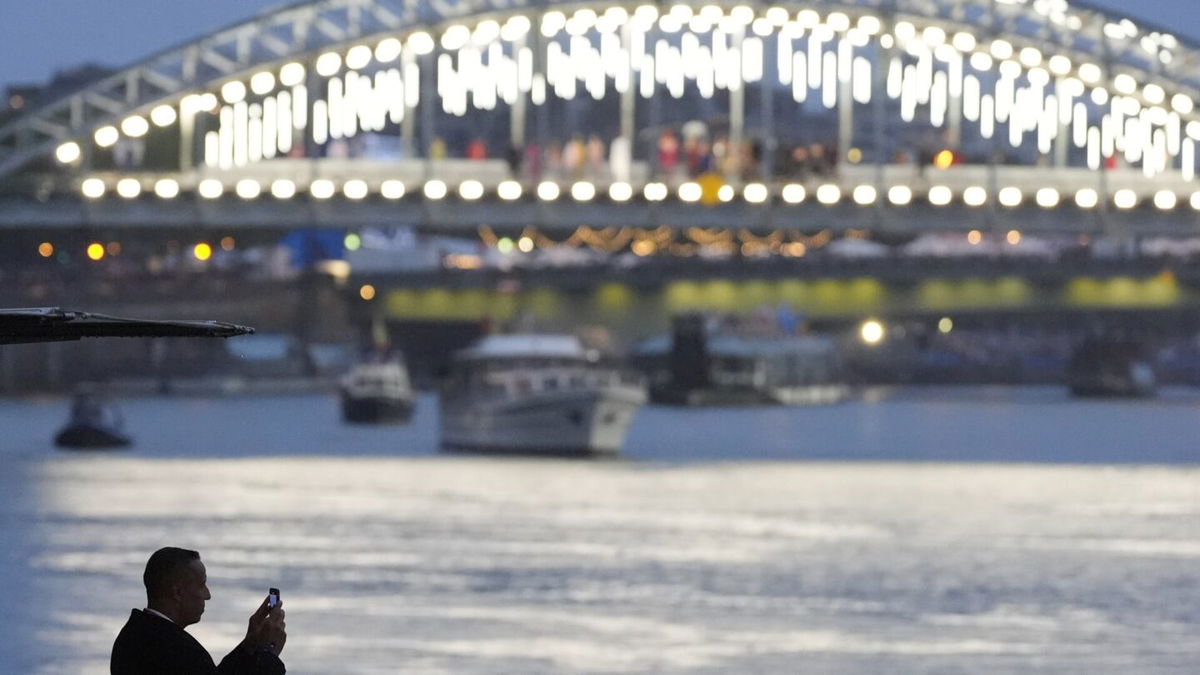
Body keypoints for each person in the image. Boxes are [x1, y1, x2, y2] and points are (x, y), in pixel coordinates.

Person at [111, 547, 287, 675]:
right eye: (202, 585)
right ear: (178, 593)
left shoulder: (134, 636)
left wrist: (249, 645)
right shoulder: (178, 651)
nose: (208, 595)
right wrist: (268, 654)